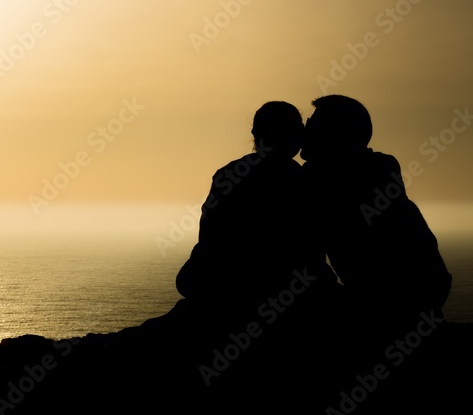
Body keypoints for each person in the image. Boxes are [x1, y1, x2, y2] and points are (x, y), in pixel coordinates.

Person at [301, 95, 452, 334]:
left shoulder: (330, 178)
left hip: (394, 307)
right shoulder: (378, 167)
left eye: (313, 124)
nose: (305, 130)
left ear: (336, 135)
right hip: (415, 298)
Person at [175, 101, 338, 320]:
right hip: (274, 287)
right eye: (297, 127)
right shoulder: (303, 179)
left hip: (222, 284)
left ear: (256, 134)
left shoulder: (228, 173)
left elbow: (210, 238)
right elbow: (310, 250)